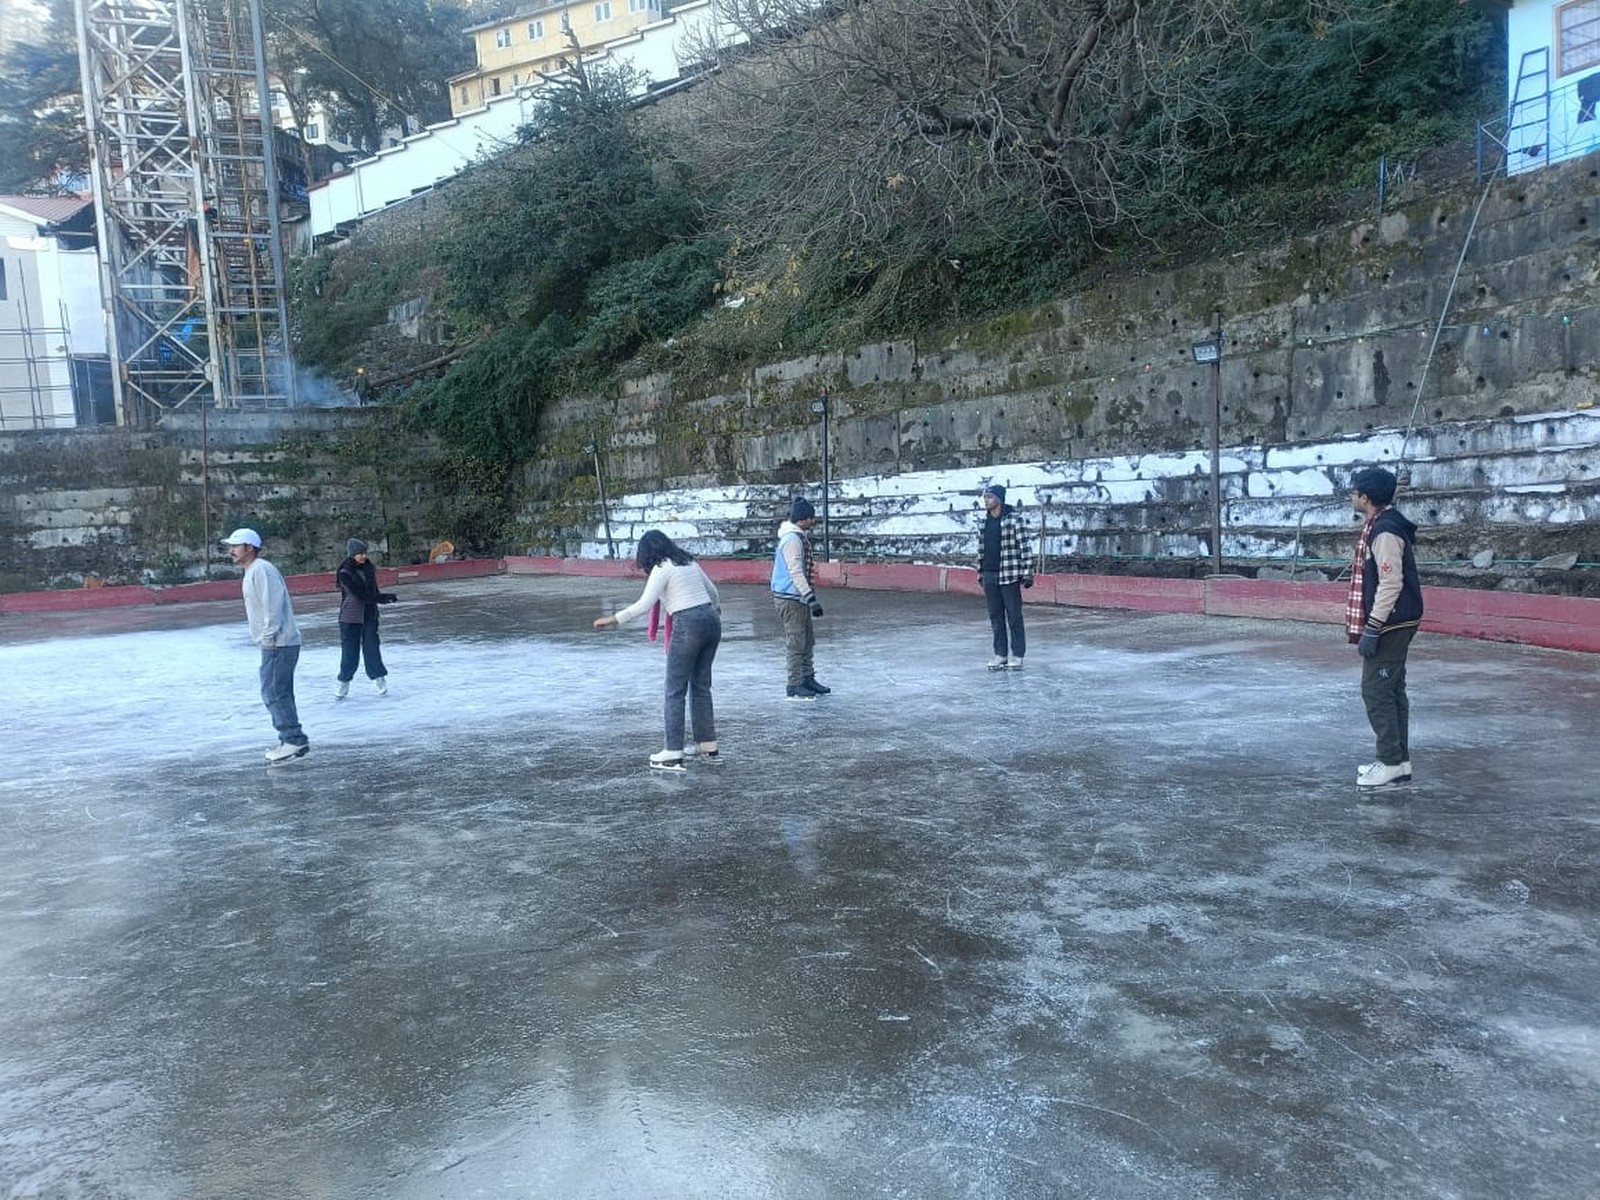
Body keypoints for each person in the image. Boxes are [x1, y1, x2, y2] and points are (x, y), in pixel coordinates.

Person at [593, 530, 723, 771]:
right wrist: (711, 611)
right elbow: (713, 593)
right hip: (711, 621)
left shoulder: (662, 568)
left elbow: (644, 604)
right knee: (701, 686)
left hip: (688, 625)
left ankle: (673, 751)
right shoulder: (688, 562)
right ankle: (707, 744)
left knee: (675, 689)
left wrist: (613, 619)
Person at [1346, 467, 1423, 789]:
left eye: (1354, 492)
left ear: (1365, 498)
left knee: (1376, 690)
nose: (1351, 497)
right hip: (1396, 619)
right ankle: (1399, 762)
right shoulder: (1381, 525)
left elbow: (1391, 583)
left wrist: (1373, 628)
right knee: (1392, 690)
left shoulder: (1385, 531)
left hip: (1391, 622)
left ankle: (1389, 761)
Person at [224, 528, 310, 764]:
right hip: (276, 642)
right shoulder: (253, 571)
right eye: (230, 546)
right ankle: (292, 738)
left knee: (273, 692)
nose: (231, 551)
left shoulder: (262, 570)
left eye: (235, 546)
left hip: (278, 642)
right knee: (278, 691)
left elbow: (273, 605)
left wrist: (269, 637)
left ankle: (292, 739)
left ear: (249, 547)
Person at [771, 497, 830, 700]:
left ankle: (807, 677)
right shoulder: (792, 540)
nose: (813, 521)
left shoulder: (796, 537)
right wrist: (810, 597)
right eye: (811, 518)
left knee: (807, 640)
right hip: (790, 597)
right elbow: (795, 571)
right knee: (796, 641)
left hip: (797, 597)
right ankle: (794, 683)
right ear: (802, 519)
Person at [976, 484, 1033, 670]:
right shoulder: (983, 522)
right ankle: (1000, 654)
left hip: (1009, 575)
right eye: (985, 497)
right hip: (989, 575)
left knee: (1014, 616)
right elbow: (981, 549)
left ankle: (1017, 655)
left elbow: (1025, 547)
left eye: (989, 497)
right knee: (995, 617)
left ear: (999, 499)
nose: (986, 500)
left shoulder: (1014, 520)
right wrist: (980, 572)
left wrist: (1027, 572)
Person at [335, 538, 397, 698]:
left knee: (372, 648)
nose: (363, 556)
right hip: (350, 617)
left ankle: (379, 679)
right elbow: (360, 594)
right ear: (352, 554)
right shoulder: (344, 572)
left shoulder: (369, 569)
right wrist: (383, 598)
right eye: (359, 554)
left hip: (369, 615)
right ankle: (344, 681)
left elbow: (373, 592)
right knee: (350, 652)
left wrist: (380, 598)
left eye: (364, 553)